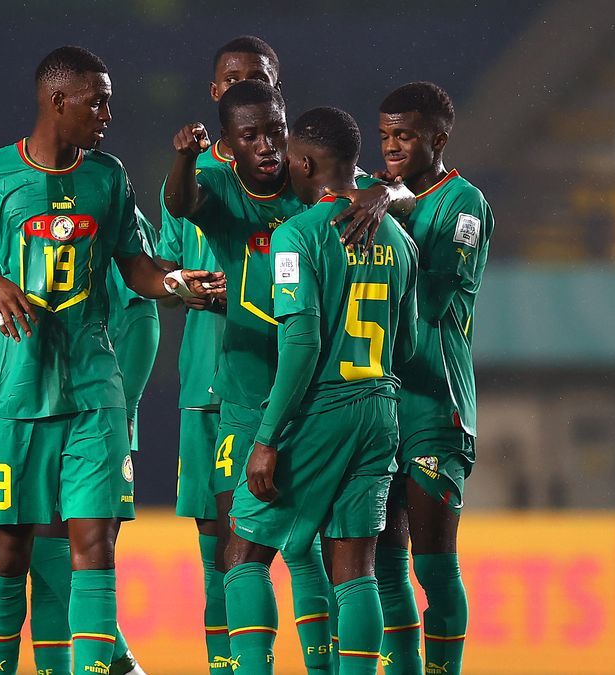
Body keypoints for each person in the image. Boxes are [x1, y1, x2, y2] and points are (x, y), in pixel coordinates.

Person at [0, 45, 221, 675]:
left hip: (96, 394)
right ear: (55, 100)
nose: (106, 113)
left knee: (94, 546)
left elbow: (138, 269)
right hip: (14, 396)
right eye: (95, 100)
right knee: (9, 555)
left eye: (110, 100)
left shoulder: (109, 177)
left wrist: (178, 283)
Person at [223, 106, 417, 674]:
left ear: (304, 163)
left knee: (244, 552)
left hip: (321, 410)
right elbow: (402, 343)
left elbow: (301, 346)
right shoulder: (400, 242)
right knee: (354, 567)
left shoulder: (295, 237)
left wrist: (267, 437)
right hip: (381, 410)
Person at [155, 36, 274, 671]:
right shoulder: (191, 176)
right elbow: (164, 279)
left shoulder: (293, 173)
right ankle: (222, 663)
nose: (241, 85)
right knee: (214, 540)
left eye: (257, 78)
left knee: (278, 541)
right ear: (213, 92)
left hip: (274, 380)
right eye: (231, 78)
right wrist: (183, 287)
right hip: (204, 377)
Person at [372, 82, 494, 675]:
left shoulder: (465, 205)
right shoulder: (375, 193)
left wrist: (393, 211)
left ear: (438, 139)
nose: (392, 147)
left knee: (433, 566)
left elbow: (435, 293)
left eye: (407, 136)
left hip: (434, 400)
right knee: (383, 565)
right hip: (376, 402)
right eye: (386, 136)